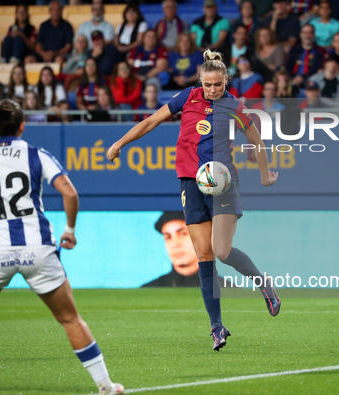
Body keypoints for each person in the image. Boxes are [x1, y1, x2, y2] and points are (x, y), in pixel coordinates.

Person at [0, 100, 124, 395]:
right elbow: (70, 193)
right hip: (37, 249)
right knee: (69, 317)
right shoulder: (36, 154)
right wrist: (70, 230)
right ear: (22, 127)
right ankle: (105, 385)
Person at [107, 50, 281, 351]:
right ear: (200, 81)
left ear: (226, 80)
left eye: (218, 84)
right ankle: (216, 328)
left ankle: (263, 283)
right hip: (191, 182)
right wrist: (120, 142)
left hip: (223, 182)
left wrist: (265, 175)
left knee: (222, 251)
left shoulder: (235, 105)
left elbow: (258, 142)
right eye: (208, 85)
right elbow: (151, 122)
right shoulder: (187, 97)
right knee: (204, 256)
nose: (213, 90)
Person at [141, 211, 201, 287]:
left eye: (183, 234)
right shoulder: (149, 290)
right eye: (168, 237)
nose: (175, 244)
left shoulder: (219, 288)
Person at [286, 23, 325, 89]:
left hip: (311, 81)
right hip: (293, 79)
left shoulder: (320, 51)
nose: (307, 36)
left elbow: (318, 69)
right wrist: (293, 78)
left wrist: (302, 77)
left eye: (310, 33)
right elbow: (288, 66)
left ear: (314, 35)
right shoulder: (294, 49)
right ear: (300, 34)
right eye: (305, 33)